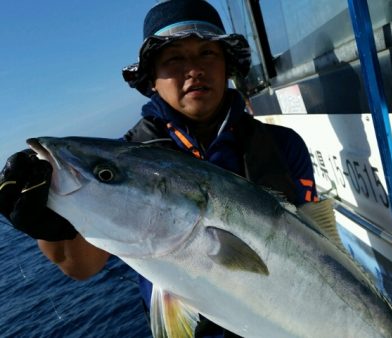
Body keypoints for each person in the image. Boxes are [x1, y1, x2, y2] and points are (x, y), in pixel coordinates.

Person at [0, 0, 317, 337]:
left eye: (207, 53)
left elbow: (314, 243)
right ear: (151, 78)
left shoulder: (283, 145)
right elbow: (81, 265)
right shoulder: (130, 157)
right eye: (174, 58)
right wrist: (49, 227)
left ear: (227, 64)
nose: (193, 69)